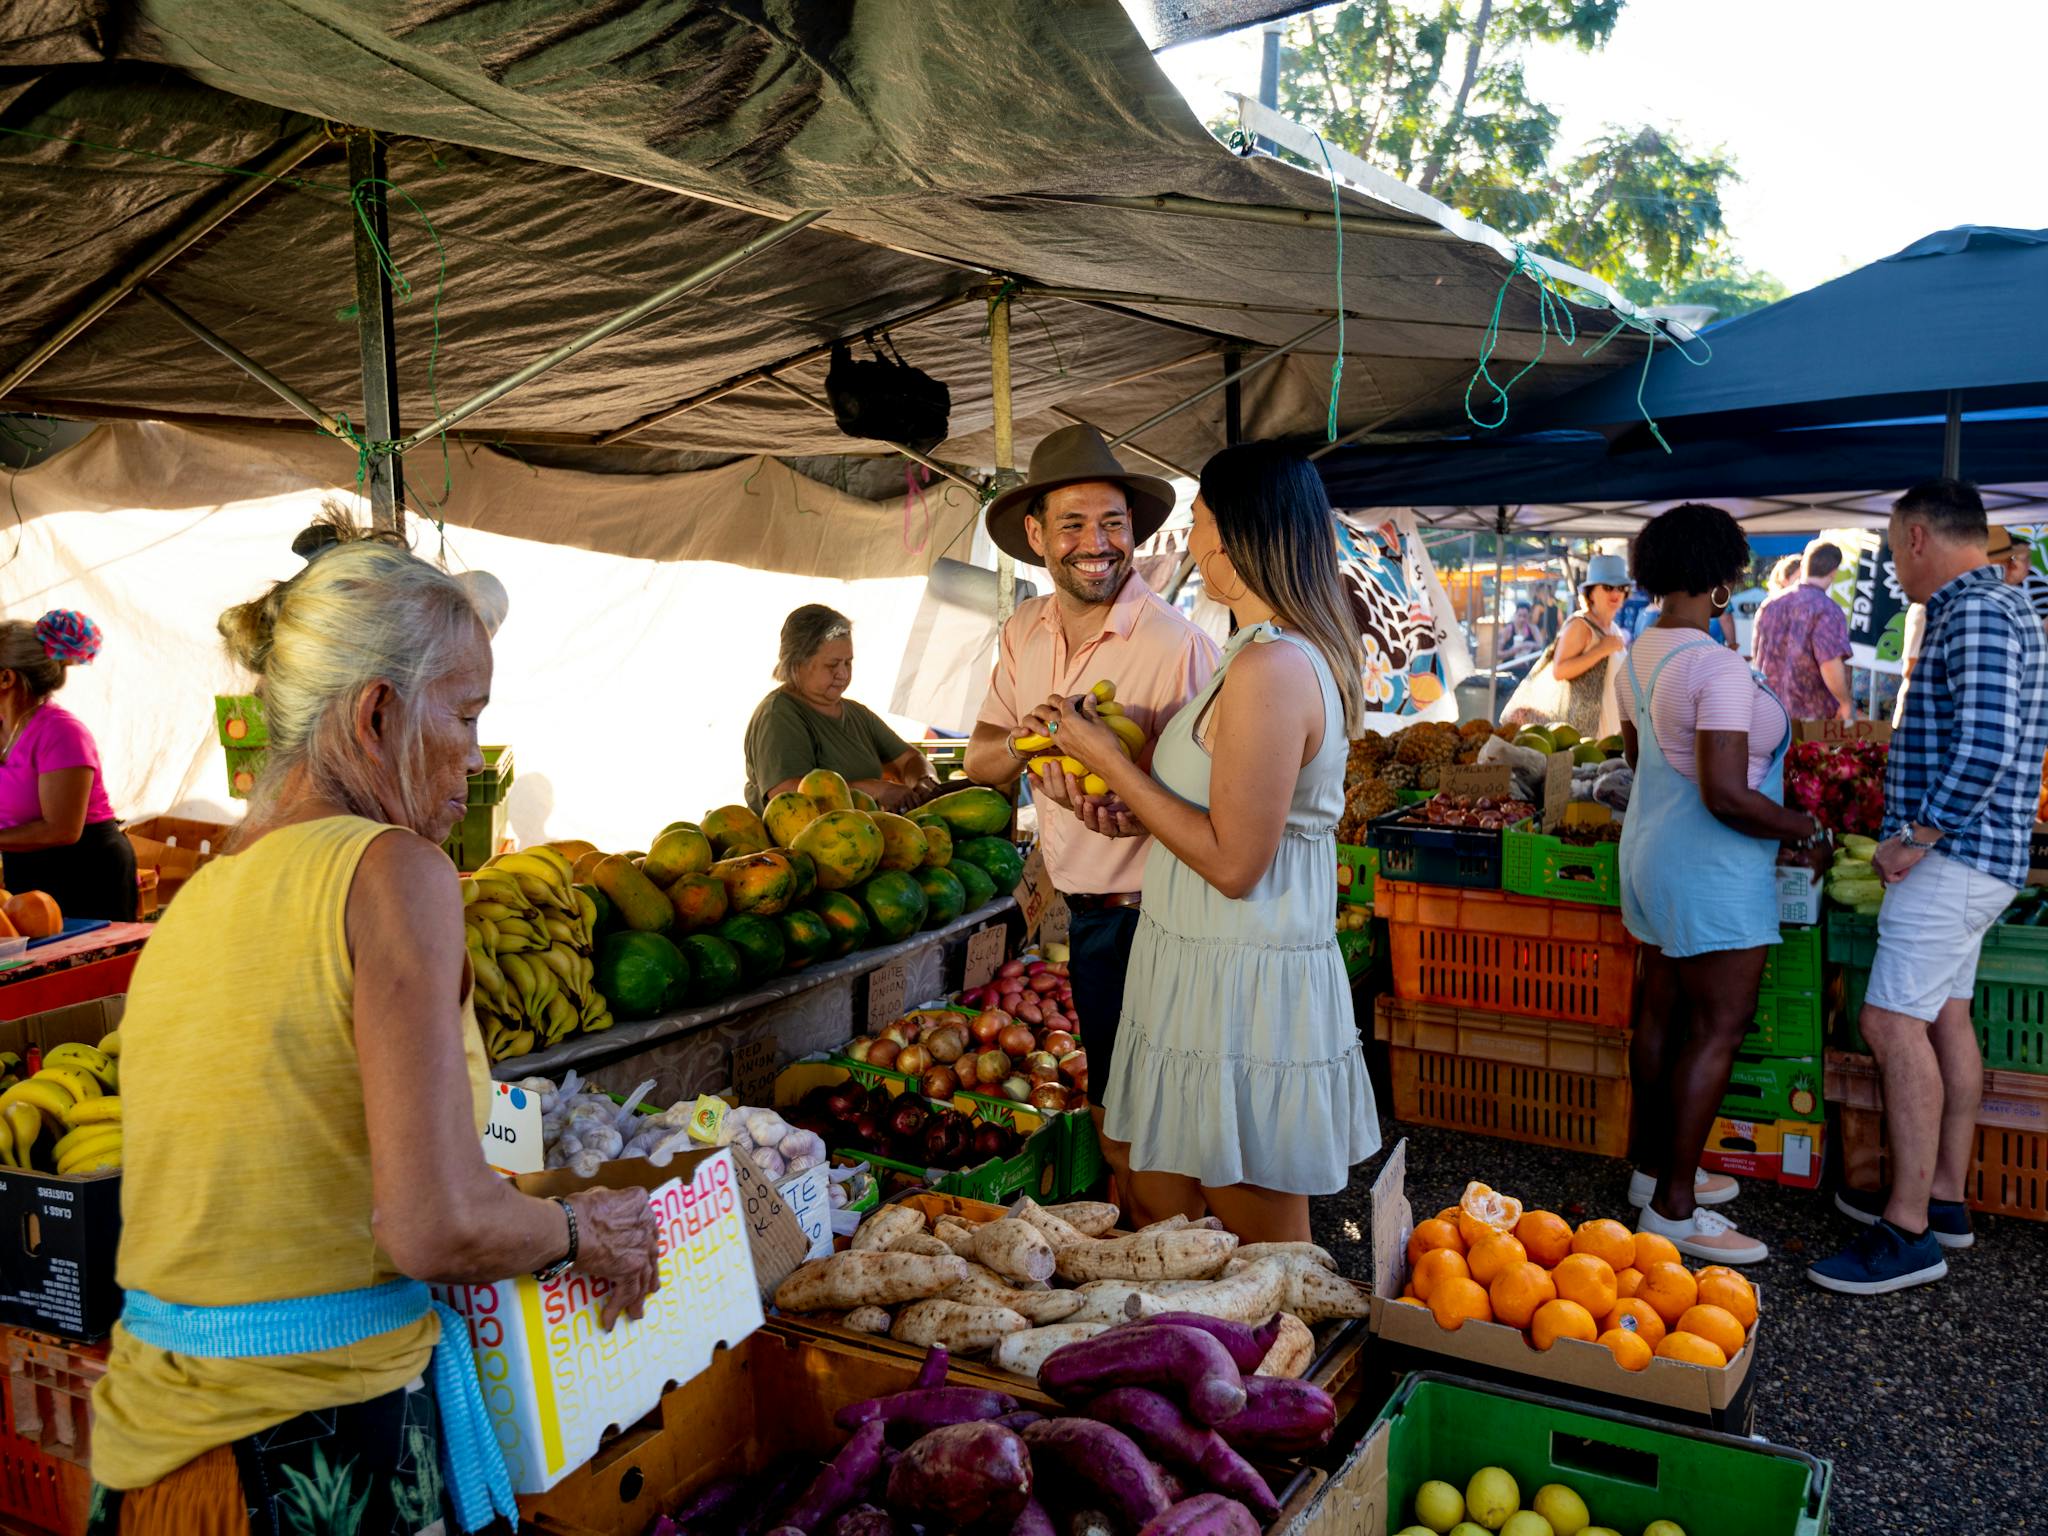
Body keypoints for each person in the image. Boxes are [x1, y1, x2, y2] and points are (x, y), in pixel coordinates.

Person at [89, 529, 660, 1534]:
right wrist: (580, 1229)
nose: (477, 759)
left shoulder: (198, 904)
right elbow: (431, 1226)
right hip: (307, 1454)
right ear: (379, 711)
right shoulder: (392, 871)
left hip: (158, 1456)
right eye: (469, 714)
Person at [1021, 443, 1376, 1241]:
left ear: (1232, 538)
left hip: (1240, 980)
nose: (1190, 540)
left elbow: (1235, 864)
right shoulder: (1248, 656)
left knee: (1265, 1251)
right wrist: (1138, 806)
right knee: (1155, 1201)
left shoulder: (1275, 667)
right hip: (1193, 963)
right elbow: (1222, 812)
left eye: (1199, 521)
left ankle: (1289, 1368)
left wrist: (1110, 758)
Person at [964, 424, 1219, 1208]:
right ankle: (1151, 1254)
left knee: (1160, 1125)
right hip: (1083, 916)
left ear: (1134, 531)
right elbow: (979, 762)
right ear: (1037, 536)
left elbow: (1219, 811)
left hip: (1166, 916)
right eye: (1072, 524)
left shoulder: (1179, 648)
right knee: (1120, 1113)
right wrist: (1032, 734)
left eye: (1112, 523)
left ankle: (1180, 1269)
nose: (1096, 543)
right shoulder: (1022, 632)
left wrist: (1121, 783)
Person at [1810, 481, 2048, 1295]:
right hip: (1980, 859)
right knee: (1947, 1017)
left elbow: (1984, 744)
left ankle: (1908, 1229)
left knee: (1888, 1023)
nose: (1891, 560)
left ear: (1917, 536)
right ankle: (1944, 1199)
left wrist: (1916, 838)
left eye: (1889, 541)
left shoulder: (1976, 610)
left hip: (1955, 858)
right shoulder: (2000, 601)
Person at [1614, 505, 1829, 1265]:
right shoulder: (1718, 669)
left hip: (1648, 855)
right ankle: (1674, 1210)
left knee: (1663, 1020)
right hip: (1712, 868)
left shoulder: (1638, 653)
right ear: (1720, 581)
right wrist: (1808, 829)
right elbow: (1727, 794)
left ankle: (1651, 1174)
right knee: (1717, 1030)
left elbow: (1641, 762)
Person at [0, 610, 136, 921]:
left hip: (85, 869)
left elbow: (61, 829)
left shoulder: (62, 732)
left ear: (6, 678)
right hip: (26, 867)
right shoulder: (4, 727)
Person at [743, 604, 938, 813]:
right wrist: (875, 789)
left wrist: (924, 780)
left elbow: (910, 759)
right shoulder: (778, 715)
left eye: (848, 663)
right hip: (803, 844)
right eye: (832, 665)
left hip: (861, 836)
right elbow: (787, 795)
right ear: (798, 663)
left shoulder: (857, 714)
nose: (843, 674)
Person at [1752, 541, 1854, 722]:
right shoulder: (1827, 609)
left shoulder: (1770, 604)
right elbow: (1829, 662)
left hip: (1767, 712)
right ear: (1834, 572)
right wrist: (1845, 702)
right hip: (1809, 717)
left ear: (1803, 566)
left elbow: (1757, 656)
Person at [1547, 554, 1631, 741]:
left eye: (1621, 587)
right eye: (1608, 587)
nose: (1616, 593)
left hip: (1611, 732)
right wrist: (1600, 650)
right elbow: (1559, 670)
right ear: (1591, 592)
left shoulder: (1613, 628)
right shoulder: (1580, 625)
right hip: (1587, 735)